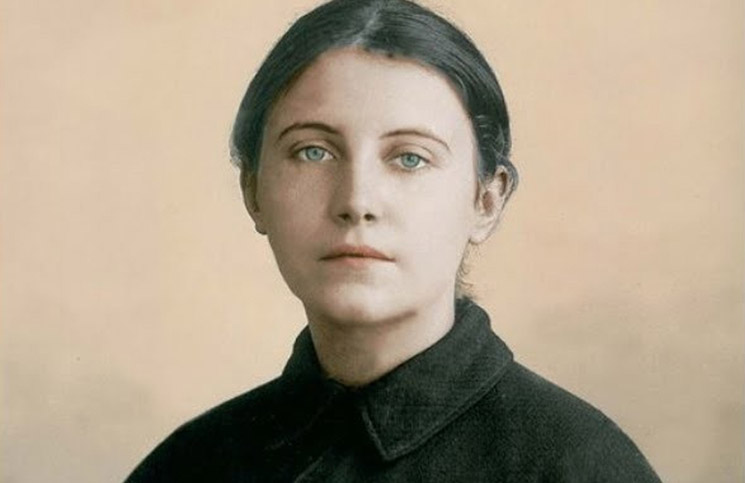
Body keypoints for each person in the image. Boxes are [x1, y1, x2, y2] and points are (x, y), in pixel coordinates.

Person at [126, 0, 661, 481]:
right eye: (313, 151)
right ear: (253, 191)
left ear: (486, 201)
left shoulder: (577, 465)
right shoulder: (190, 465)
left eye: (410, 158)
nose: (357, 201)